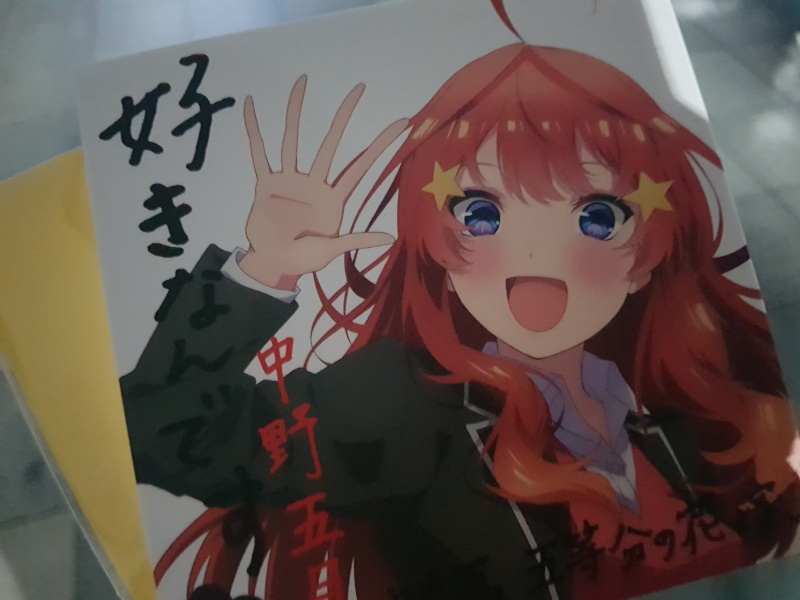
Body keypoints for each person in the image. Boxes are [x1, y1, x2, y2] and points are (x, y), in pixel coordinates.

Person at [121, 35, 800, 600]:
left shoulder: (694, 407)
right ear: (437, 246)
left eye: (598, 216)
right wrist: (265, 270)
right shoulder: (403, 404)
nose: (534, 259)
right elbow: (161, 429)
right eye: (481, 213)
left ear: (647, 254)